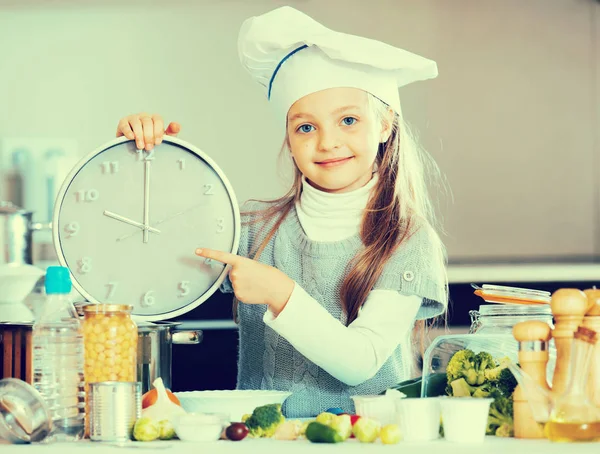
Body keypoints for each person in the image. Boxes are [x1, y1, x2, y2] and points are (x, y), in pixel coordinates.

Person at [116, 6, 448, 418]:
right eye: (306, 127)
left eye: (348, 120)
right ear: (290, 140)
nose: (327, 142)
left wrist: (280, 293)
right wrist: (142, 158)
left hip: (365, 442)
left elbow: (360, 361)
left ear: (384, 127)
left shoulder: (407, 239)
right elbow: (147, 254)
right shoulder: (252, 226)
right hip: (260, 440)